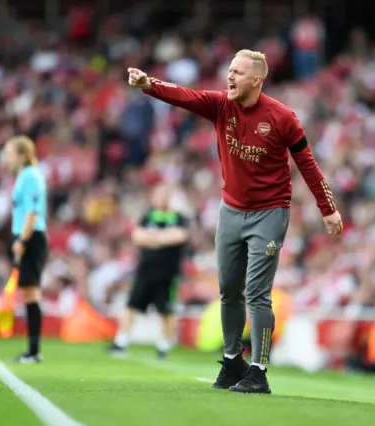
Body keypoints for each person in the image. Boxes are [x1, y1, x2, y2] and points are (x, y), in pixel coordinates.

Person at [127, 49, 343, 394]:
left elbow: (308, 164)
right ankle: (232, 362)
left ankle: (259, 370)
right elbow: (185, 96)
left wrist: (327, 207)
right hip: (230, 211)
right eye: (229, 70)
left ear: (257, 80)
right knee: (228, 290)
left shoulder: (282, 117)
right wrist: (148, 84)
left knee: (257, 293)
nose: (230, 77)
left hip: (270, 213)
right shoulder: (220, 105)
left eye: (238, 73)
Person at [108, 183, 189, 359]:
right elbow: (137, 236)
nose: (160, 198)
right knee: (131, 305)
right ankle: (120, 342)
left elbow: (180, 236)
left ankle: (163, 346)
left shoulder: (178, 217)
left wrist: (152, 237)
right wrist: (163, 238)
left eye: (164, 194)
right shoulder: (148, 215)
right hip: (145, 271)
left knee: (166, 310)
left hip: (167, 273)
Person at [4, 136, 48, 364]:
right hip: (26, 236)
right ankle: (32, 349)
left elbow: (32, 213)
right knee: (28, 293)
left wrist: (22, 240)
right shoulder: (24, 175)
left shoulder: (31, 176)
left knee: (31, 292)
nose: (7, 158)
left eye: (9, 153)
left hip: (31, 237)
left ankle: (34, 350)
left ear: (21, 154)